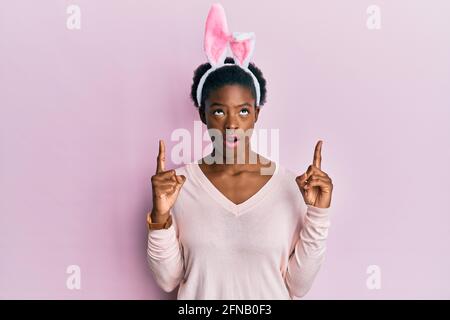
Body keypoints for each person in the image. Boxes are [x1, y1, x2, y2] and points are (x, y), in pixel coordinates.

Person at [146, 3, 333, 300]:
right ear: (203, 116)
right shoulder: (176, 186)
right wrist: (160, 217)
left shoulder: (291, 186)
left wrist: (318, 214)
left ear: (256, 114)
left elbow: (299, 286)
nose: (232, 124)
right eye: (219, 112)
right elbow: (169, 280)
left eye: (243, 111)